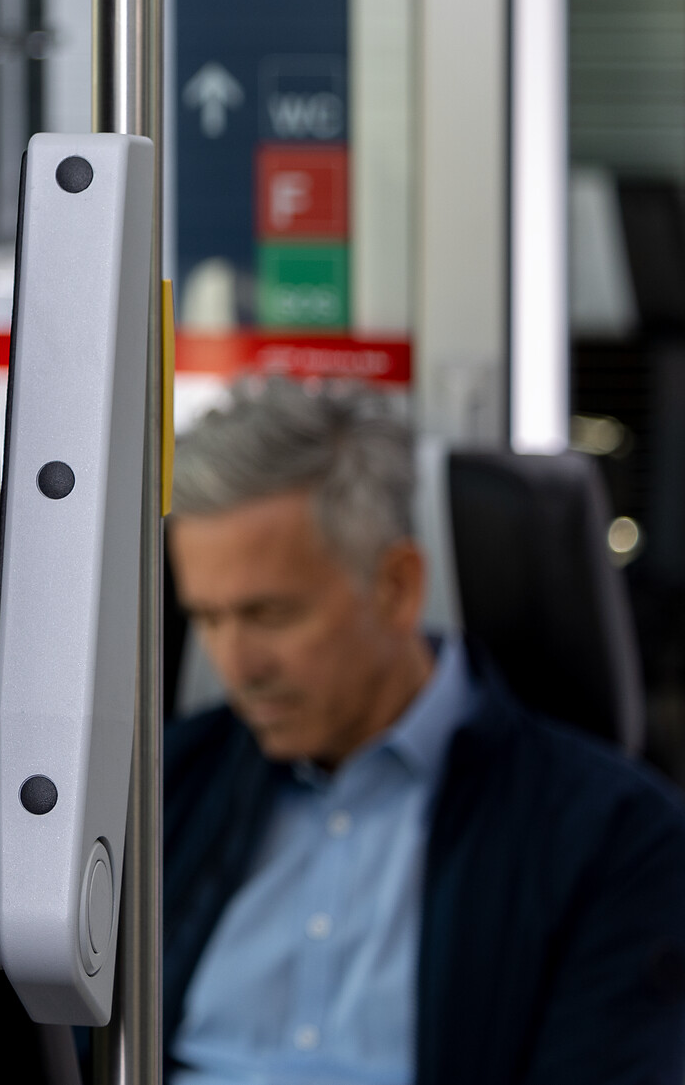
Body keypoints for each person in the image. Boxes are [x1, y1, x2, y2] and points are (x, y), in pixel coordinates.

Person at [165, 377, 685, 1085]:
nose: (237, 665)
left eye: (271, 614)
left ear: (398, 585)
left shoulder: (612, 838)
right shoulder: (167, 788)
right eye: (209, 617)